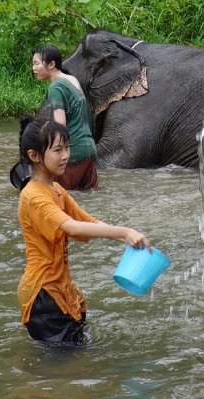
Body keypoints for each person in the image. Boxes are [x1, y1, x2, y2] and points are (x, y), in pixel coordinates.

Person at [15, 115, 152, 347]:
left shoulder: (56, 189)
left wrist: (126, 237)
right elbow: (72, 226)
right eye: (58, 150)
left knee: (73, 355)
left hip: (62, 288)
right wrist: (124, 231)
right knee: (65, 364)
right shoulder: (34, 196)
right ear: (34, 156)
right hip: (43, 295)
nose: (66, 156)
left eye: (67, 148)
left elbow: (86, 221)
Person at [30, 45, 98, 190]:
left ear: (51, 64)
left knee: (57, 197)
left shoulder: (55, 87)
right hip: (89, 151)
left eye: (36, 63)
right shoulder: (72, 80)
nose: (33, 68)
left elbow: (60, 127)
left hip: (72, 154)